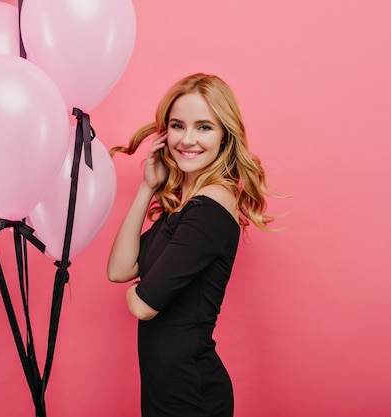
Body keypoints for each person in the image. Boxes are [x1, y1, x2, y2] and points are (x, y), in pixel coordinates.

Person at [107, 73, 275, 417]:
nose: (187, 140)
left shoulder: (208, 210)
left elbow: (142, 306)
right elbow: (120, 270)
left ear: (225, 136)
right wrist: (147, 188)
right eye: (177, 125)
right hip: (167, 390)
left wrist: (136, 295)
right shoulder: (186, 206)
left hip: (190, 395)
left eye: (204, 127)